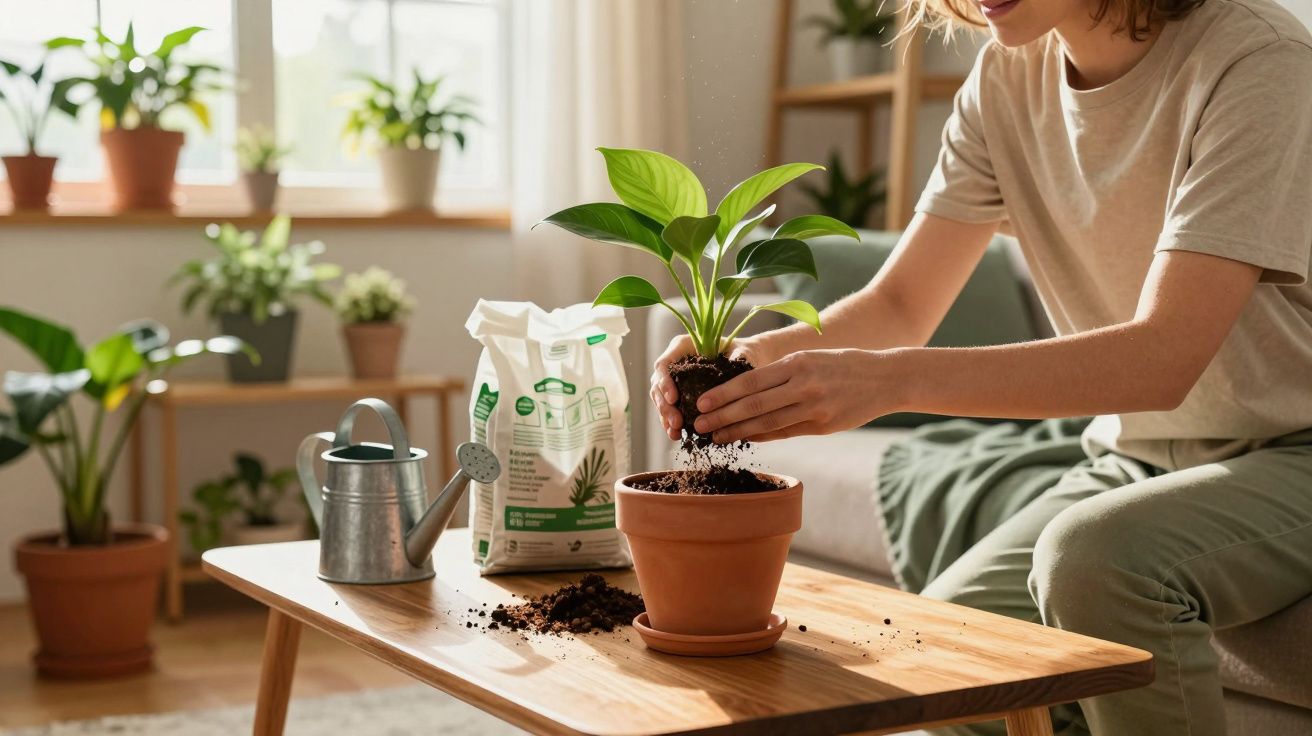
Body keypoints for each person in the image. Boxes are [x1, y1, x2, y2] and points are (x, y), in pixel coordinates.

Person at [650, 0, 1312, 734]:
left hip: (1295, 451)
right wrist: (752, 358)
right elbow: (902, 301)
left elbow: (1164, 357)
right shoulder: (1006, 77)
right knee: (947, 658)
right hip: (1139, 455)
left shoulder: (1259, 59)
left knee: (1093, 560)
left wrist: (894, 381)